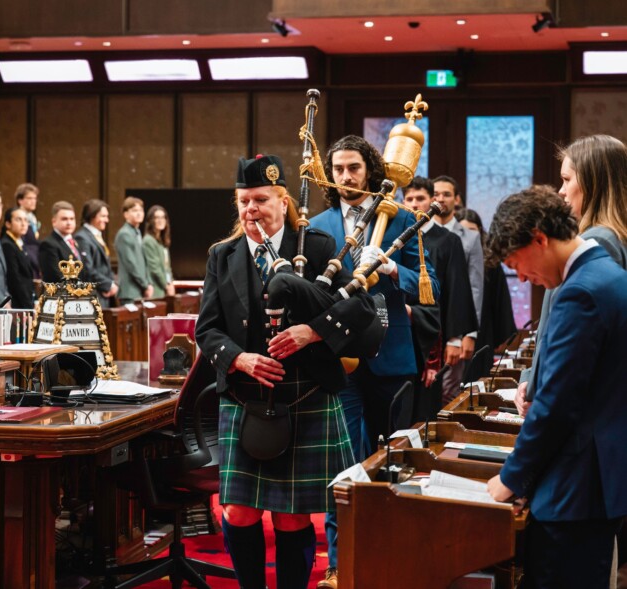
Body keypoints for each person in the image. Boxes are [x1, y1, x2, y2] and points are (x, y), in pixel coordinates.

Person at [195, 154, 377, 589]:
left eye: (260, 199)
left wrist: (311, 333)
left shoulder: (314, 247)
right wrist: (239, 358)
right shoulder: (223, 255)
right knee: (238, 511)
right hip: (245, 395)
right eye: (243, 201)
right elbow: (207, 328)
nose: (250, 209)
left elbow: (360, 307)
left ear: (282, 200)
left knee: (293, 517)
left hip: (307, 394)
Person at [309, 135, 438, 589]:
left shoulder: (402, 218)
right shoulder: (317, 224)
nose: (346, 176)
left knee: (391, 461)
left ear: (371, 170)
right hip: (338, 361)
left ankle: (390, 558)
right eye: (338, 169)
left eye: (354, 168)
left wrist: (389, 269)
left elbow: (430, 286)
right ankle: (340, 565)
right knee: (342, 463)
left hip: (391, 356)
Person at [485, 186, 626, 589]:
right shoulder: (606, 275)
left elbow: (557, 405)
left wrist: (511, 479)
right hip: (591, 481)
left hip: (576, 487)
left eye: (518, 264)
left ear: (540, 239)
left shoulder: (580, 290)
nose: (524, 277)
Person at [516, 134, 627, 418]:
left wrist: (541, 392)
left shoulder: (600, 242)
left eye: (567, 180)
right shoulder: (595, 238)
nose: (561, 191)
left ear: (593, 183)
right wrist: (529, 376)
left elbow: (580, 344)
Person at [403, 177, 476, 415]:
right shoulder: (398, 239)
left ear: (432, 201)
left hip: (435, 329)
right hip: (403, 329)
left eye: (420, 198)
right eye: (409, 199)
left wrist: (454, 338)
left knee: (428, 402)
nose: (415, 204)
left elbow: (458, 291)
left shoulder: (447, 240)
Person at [432, 175, 484, 399]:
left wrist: (469, 332)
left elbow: (475, 286)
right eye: (436, 194)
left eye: (446, 194)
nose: (441, 199)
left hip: (457, 323)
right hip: (430, 318)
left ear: (457, 199)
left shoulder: (470, 237)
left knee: (450, 389)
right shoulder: (421, 232)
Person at [459, 209, 517, 376]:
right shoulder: (451, 257)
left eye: (472, 230)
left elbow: (500, 301)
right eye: (463, 231)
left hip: (483, 328)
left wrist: (500, 334)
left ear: (480, 231)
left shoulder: (490, 262)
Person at [74, 199, 117, 308]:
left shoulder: (96, 236)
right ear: (92, 215)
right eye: (103, 216)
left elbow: (105, 266)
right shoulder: (82, 237)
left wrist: (112, 284)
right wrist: (108, 285)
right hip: (93, 296)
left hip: (103, 295)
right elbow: (87, 269)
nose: (106, 220)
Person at [114, 196, 152, 304]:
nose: (139, 213)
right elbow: (131, 264)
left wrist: (148, 284)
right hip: (129, 291)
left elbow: (143, 262)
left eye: (141, 210)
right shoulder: (124, 234)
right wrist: (145, 285)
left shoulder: (137, 232)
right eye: (135, 210)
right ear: (126, 214)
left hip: (139, 290)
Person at [38, 201, 86, 283]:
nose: (69, 223)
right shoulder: (48, 244)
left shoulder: (78, 241)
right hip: (61, 294)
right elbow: (54, 276)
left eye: (72, 219)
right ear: (54, 222)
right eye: (64, 219)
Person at [0, 207, 36, 309]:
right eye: (18, 219)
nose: (24, 224)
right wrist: (28, 305)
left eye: (26, 220)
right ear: (8, 224)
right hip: (16, 302)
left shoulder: (19, 242)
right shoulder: (7, 244)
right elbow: (14, 278)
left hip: (25, 299)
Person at [143, 205, 175, 297]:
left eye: (163, 217)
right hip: (156, 290)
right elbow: (155, 269)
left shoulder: (161, 241)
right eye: (156, 218)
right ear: (150, 221)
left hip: (164, 289)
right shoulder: (148, 240)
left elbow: (167, 267)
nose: (160, 220)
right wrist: (166, 285)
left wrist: (170, 283)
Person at [14, 182, 42, 278]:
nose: (33, 201)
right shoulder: (15, 219)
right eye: (29, 198)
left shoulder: (32, 218)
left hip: (35, 264)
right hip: (25, 266)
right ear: (20, 200)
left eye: (35, 198)